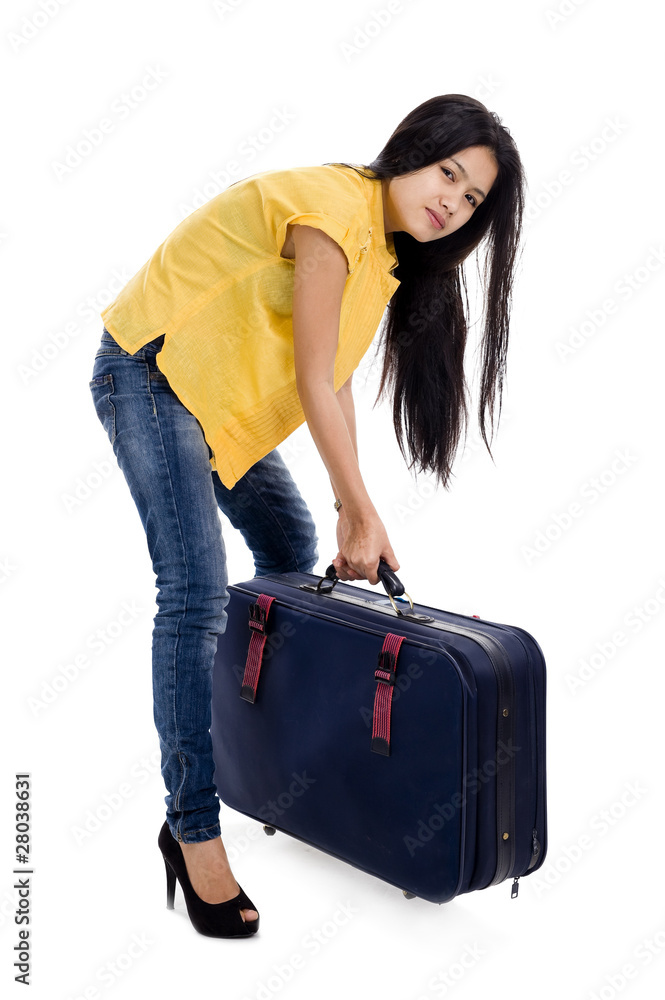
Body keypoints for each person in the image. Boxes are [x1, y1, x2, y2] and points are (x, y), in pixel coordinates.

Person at [88, 93, 525, 938]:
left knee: (288, 550)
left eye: (473, 198)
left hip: (215, 402)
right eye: (447, 174)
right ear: (412, 150)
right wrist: (357, 510)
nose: (453, 202)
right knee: (193, 592)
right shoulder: (331, 215)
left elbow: (336, 379)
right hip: (151, 373)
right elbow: (313, 380)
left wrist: (352, 508)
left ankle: (280, 766)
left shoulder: (380, 253)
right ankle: (192, 828)